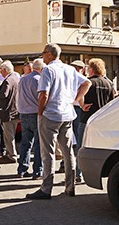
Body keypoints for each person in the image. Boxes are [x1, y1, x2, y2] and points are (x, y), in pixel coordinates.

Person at [27, 44, 91, 200]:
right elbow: (86, 83)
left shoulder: (48, 70)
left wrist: (40, 112)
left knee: (47, 152)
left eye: (43, 54)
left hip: (51, 114)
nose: (42, 57)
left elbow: (44, 94)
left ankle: (46, 188)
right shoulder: (69, 69)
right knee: (68, 151)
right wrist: (74, 100)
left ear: (49, 54)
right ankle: (70, 187)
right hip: (67, 114)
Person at [16, 58, 44, 179]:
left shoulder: (22, 79)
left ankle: (22, 168)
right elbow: (42, 97)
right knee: (38, 144)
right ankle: (37, 171)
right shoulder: (39, 80)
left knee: (25, 143)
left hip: (24, 113)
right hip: (35, 113)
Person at [0, 60, 20, 165]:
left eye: (1, 70)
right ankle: (10, 153)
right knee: (9, 134)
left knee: (8, 135)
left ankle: (11, 155)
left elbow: (4, 94)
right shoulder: (16, 78)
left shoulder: (9, 80)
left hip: (8, 111)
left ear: (4, 70)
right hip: (14, 110)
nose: (0, 72)